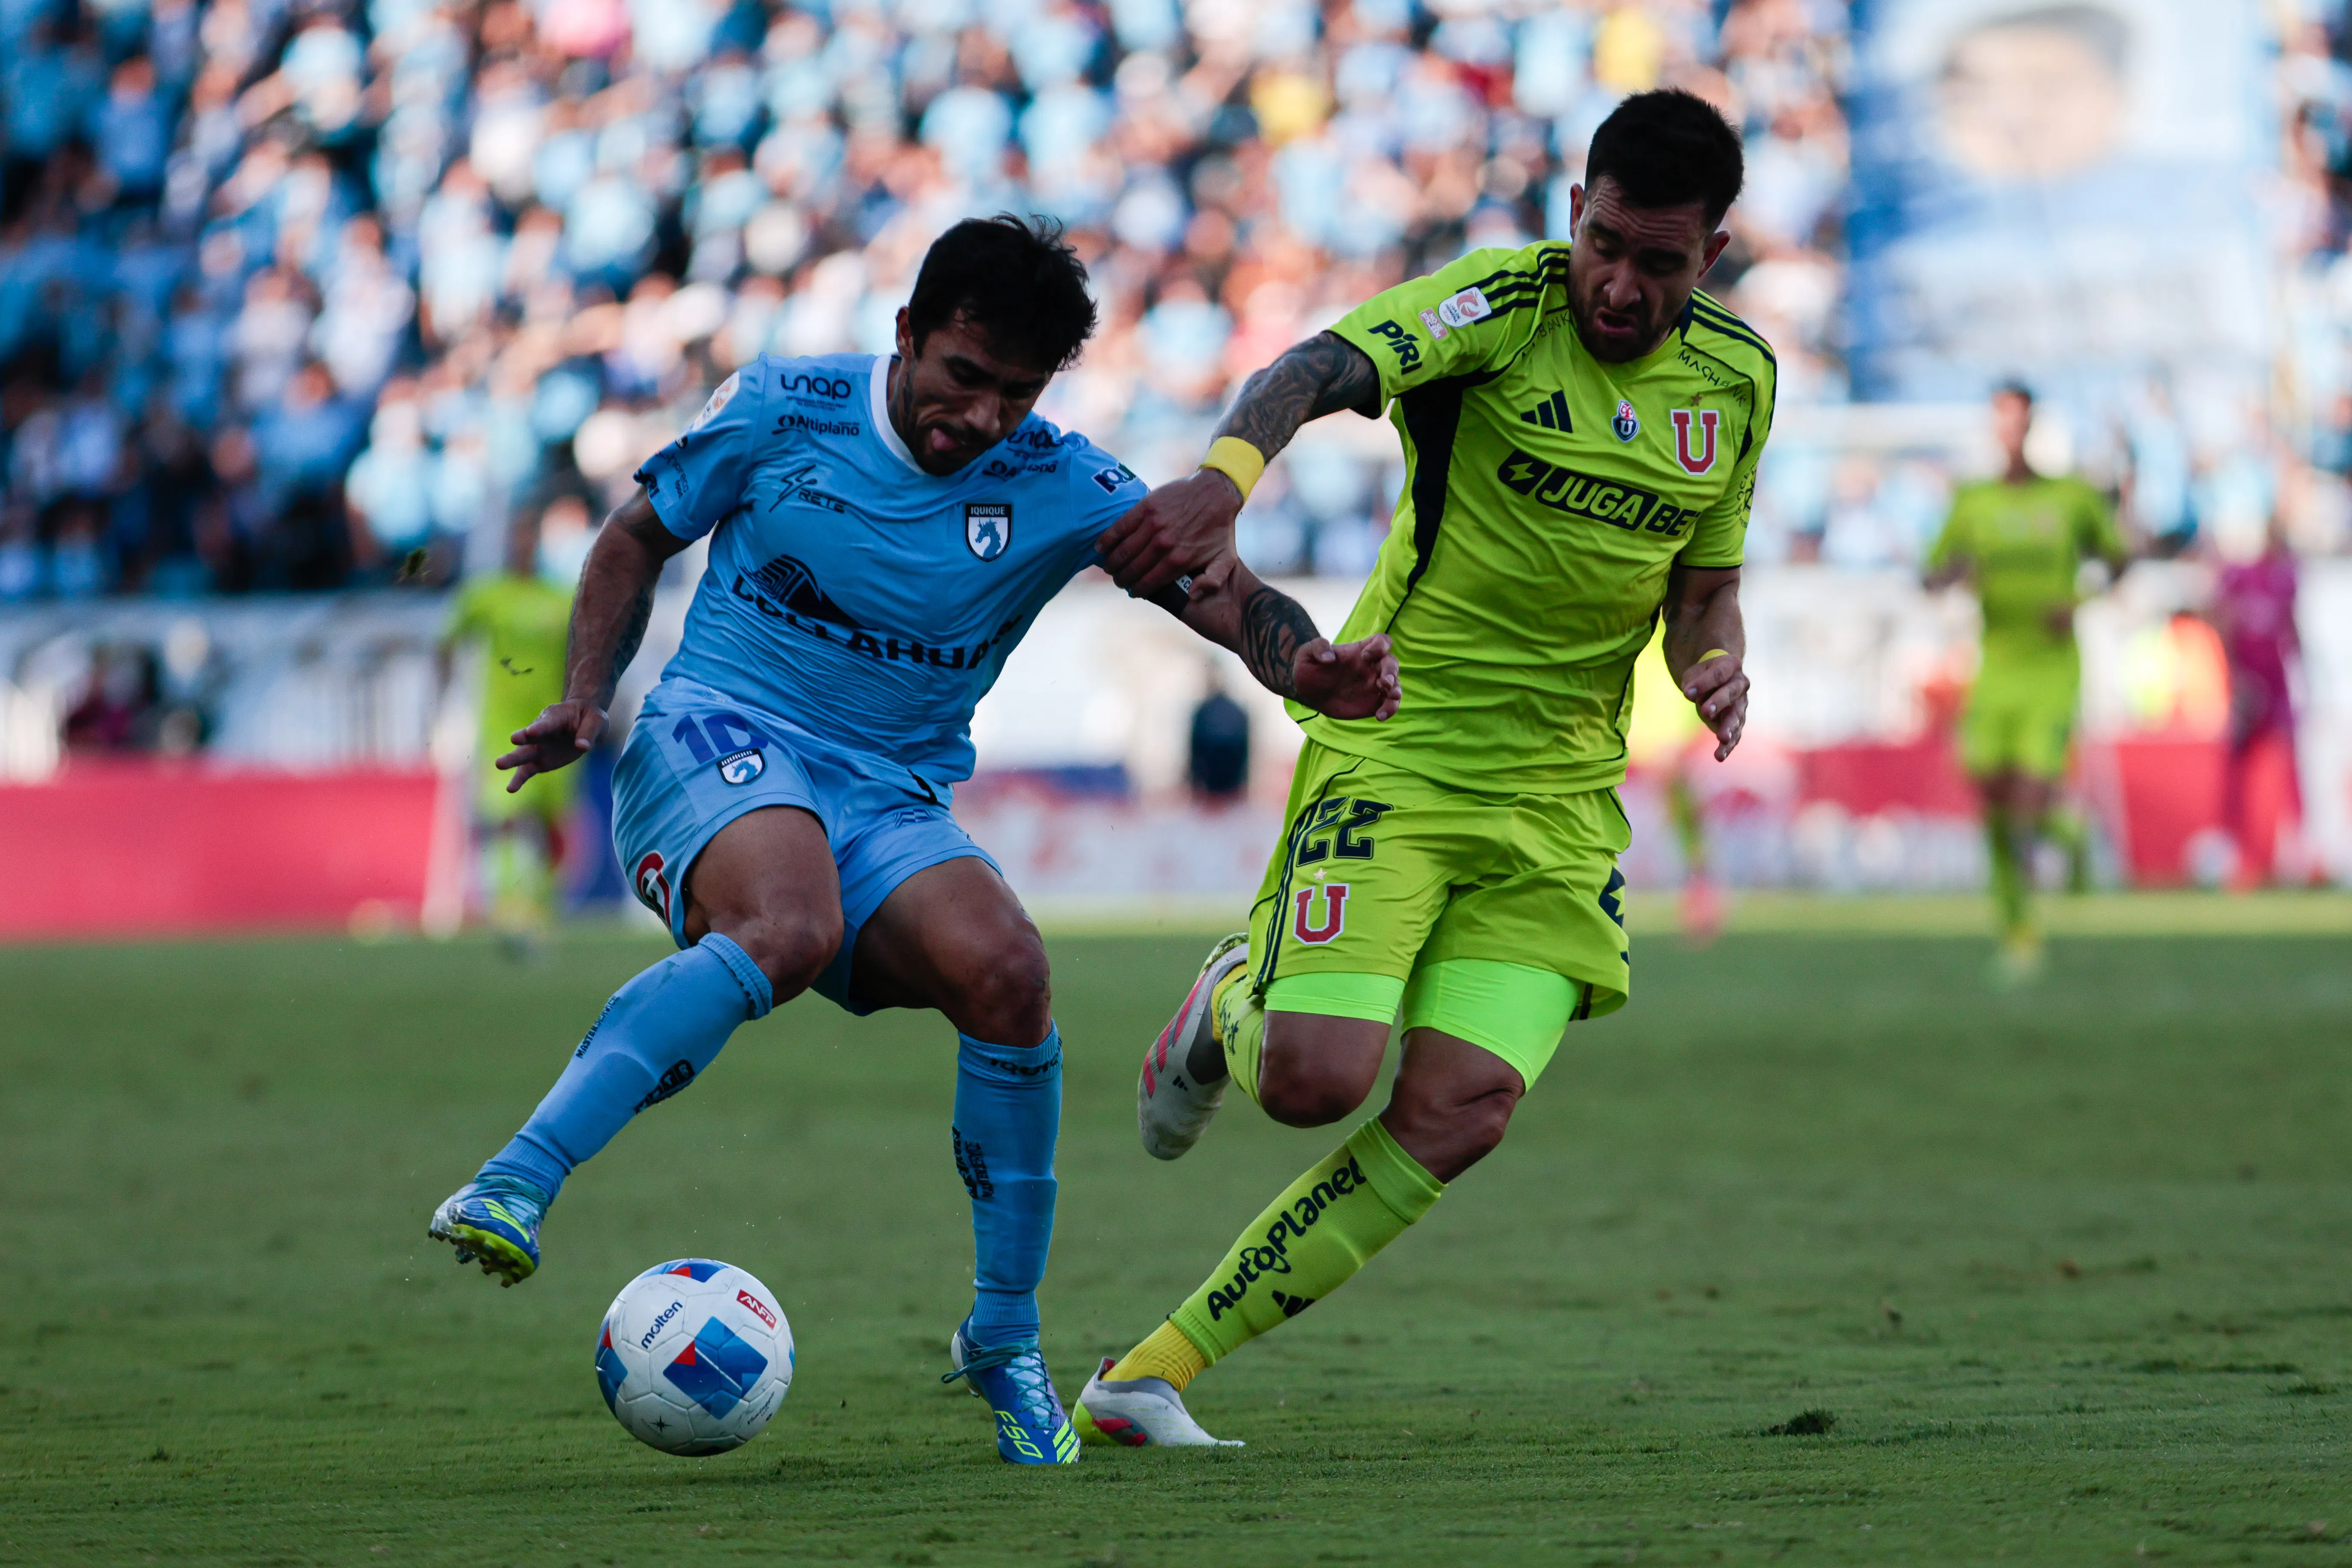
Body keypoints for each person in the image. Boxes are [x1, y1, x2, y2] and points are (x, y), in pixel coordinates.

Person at [424, 217, 1398, 1466]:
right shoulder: (783, 408)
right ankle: (514, 1177)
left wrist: (1303, 663)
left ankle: (1003, 1336)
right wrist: (583, 689)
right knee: (787, 925)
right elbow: (633, 537)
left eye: (1015, 393)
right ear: (907, 337)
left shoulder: (1062, 479)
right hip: (718, 732)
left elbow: (1219, 587)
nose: (981, 417)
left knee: (1010, 975)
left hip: (888, 795)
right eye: (961, 378)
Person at [1073, 90, 1769, 1447]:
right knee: (1311, 1081)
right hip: (1400, 748)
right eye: (1606, 244)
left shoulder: (1737, 384)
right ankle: (1229, 999)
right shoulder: (1498, 310)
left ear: (1714, 256)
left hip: (1559, 800)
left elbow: (1706, 588)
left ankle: (1148, 1373)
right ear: (1574, 211)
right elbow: (1315, 369)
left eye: (1660, 263)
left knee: (1463, 1108)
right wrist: (1226, 477)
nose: (1620, 286)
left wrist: (1711, 661)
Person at [1924, 382, 2127, 979]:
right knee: (1989, 796)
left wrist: (2081, 597)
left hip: (2050, 666)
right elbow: (1933, 568)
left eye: (2017, 420)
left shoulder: (2071, 497)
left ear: (2032, 424)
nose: (2008, 431)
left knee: (2028, 797)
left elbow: (2119, 559)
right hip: (1995, 666)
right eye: (1999, 420)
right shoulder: (1972, 501)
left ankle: (2049, 870)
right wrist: (1947, 576)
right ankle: (2027, 910)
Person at [441, 488, 581, 947]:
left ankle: (539, 908)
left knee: (548, 825)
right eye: (515, 536)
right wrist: (441, 704)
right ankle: (508, 908)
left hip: (556, 729)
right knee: (506, 815)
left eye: (528, 536)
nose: (521, 545)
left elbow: (586, 654)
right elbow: (444, 646)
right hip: (503, 724)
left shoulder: (560, 598)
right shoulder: (486, 596)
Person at [2211, 518, 2301, 888]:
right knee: (2238, 765)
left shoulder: (2286, 580)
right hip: (2249, 686)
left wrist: (2304, 671)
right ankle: (2233, 848)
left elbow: (2292, 627)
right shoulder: (2240, 577)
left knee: (2288, 761)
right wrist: (2235, 678)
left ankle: (2294, 845)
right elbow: (2224, 623)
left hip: (2276, 686)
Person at [1186, 664, 1251, 804]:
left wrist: (1194, 781)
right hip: (1222, 782)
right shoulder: (1207, 711)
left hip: (1220, 780)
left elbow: (1195, 749)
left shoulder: (1204, 711)